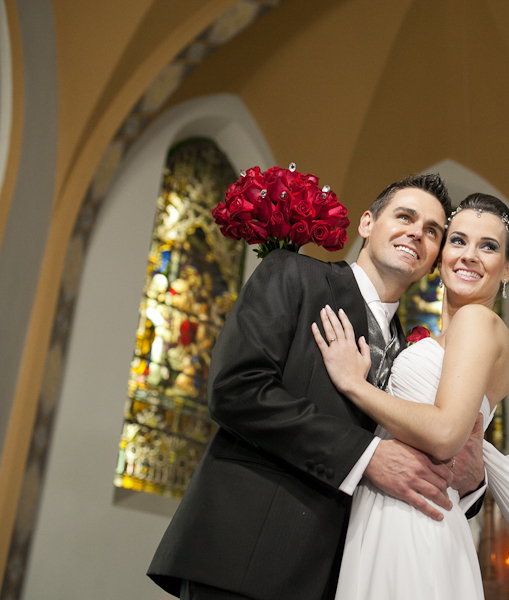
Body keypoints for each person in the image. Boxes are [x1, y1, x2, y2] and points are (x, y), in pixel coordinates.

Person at [147, 174, 487, 600]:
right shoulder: (294, 274)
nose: (416, 232)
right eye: (405, 216)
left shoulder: (413, 353)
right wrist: (365, 457)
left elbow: (418, 456)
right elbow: (236, 388)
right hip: (248, 555)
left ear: (435, 256)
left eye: (432, 231)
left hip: (340, 577)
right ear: (367, 223)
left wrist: (470, 482)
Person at [314, 193, 509, 599]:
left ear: (508, 268)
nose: (470, 255)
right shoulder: (441, 338)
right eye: (458, 241)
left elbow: (445, 433)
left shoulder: (477, 321)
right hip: (394, 509)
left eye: (489, 246)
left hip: (412, 522)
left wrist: (355, 384)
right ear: (440, 256)